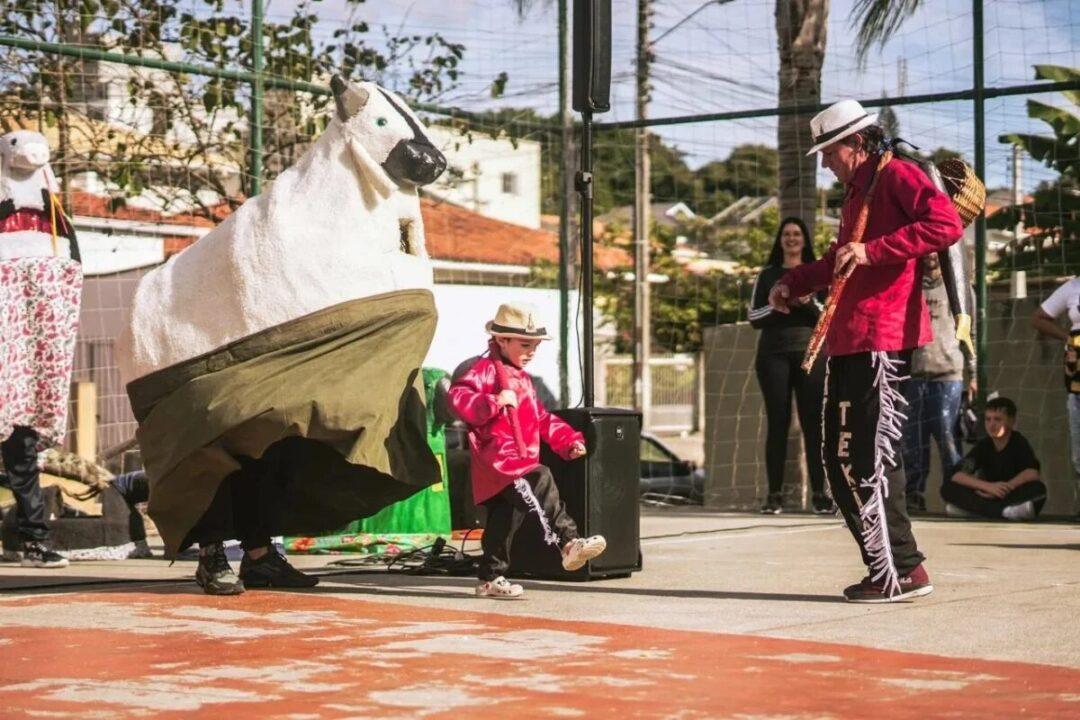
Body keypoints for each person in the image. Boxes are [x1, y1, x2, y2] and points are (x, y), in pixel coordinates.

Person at [768, 99, 964, 603]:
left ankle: (903, 569)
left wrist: (873, 251)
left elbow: (945, 225)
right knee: (839, 459)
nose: (824, 163)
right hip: (850, 339)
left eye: (829, 152)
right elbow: (840, 258)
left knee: (870, 458)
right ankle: (886, 567)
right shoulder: (859, 189)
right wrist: (794, 281)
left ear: (857, 143)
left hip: (882, 337)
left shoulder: (897, 175)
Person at [447, 302, 606, 599]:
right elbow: (459, 399)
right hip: (501, 462)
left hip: (514, 461)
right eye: (524, 344)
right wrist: (495, 401)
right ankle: (568, 543)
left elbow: (540, 418)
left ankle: (490, 578)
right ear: (501, 340)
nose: (531, 351)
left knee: (504, 520)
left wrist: (566, 439)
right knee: (540, 477)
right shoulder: (481, 371)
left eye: (534, 345)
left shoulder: (522, 379)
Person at [748, 217, 831, 515]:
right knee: (778, 423)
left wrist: (807, 301)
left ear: (805, 239)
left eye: (797, 233)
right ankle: (774, 495)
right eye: (787, 234)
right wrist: (780, 302)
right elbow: (753, 316)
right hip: (773, 356)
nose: (792, 238)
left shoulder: (817, 273)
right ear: (780, 239)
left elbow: (827, 317)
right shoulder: (768, 275)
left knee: (813, 424)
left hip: (810, 355)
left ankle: (821, 495)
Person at [901, 253, 976, 514]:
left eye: (937, 250)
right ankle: (914, 495)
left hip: (948, 375)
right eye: (927, 249)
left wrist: (973, 373)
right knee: (913, 442)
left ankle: (954, 495)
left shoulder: (959, 288)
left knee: (948, 438)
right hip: (915, 375)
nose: (931, 255)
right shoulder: (908, 285)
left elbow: (971, 333)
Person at [941, 397, 1047, 520]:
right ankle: (1002, 512)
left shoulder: (1019, 442)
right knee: (948, 488)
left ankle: (979, 512)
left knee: (1038, 490)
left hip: (1009, 493)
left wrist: (1006, 487)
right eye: (988, 419)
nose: (992, 424)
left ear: (1011, 422)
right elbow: (957, 475)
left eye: (998, 419)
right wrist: (988, 487)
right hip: (986, 494)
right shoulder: (984, 445)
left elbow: (1032, 473)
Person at [1032, 275, 1080, 518]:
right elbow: (1039, 317)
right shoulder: (1073, 287)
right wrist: (1068, 338)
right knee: (1078, 452)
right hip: (1075, 375)